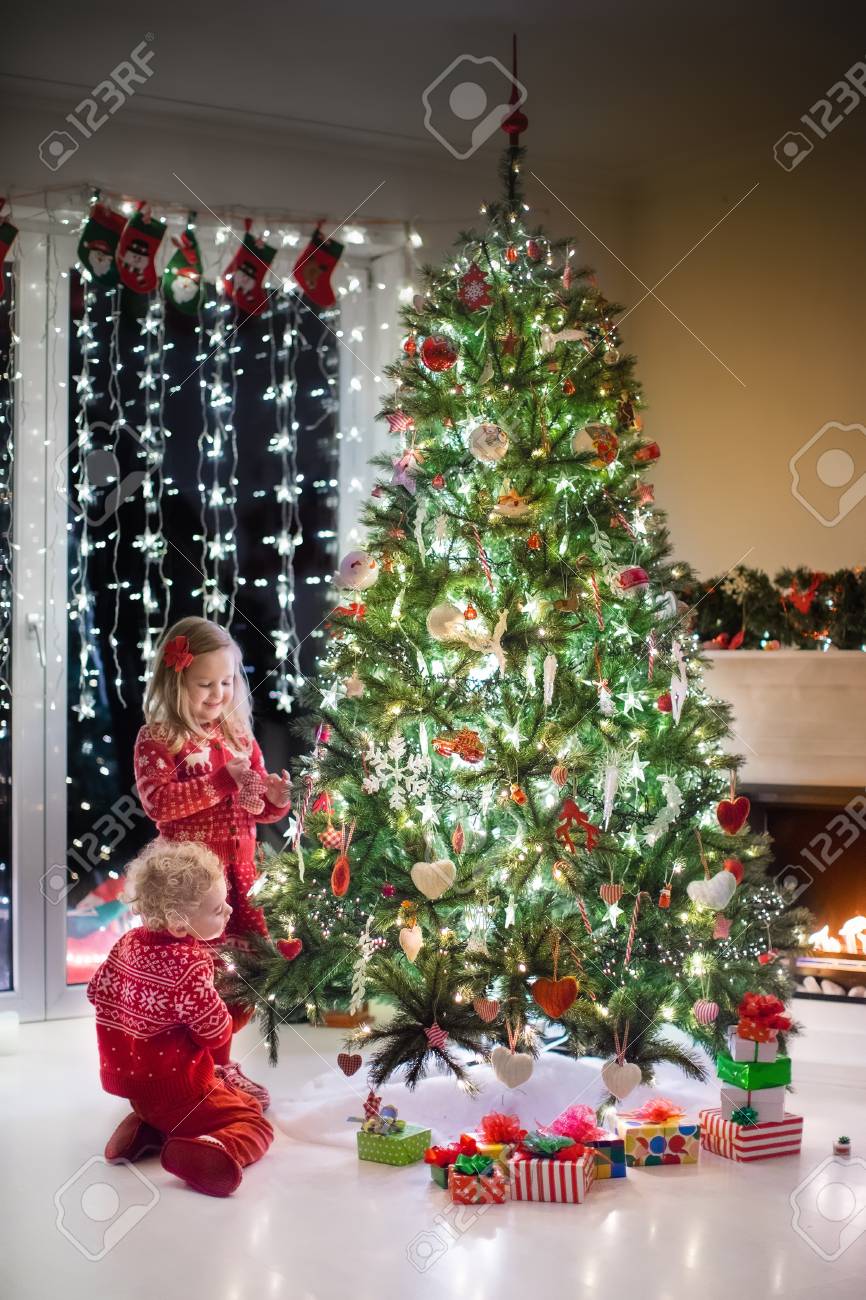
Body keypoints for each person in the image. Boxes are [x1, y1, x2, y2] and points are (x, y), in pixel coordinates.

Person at [133, 616, 292, 1108]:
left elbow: (254, 806)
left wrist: (275, 800)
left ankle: (217, 1064)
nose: (218, 693)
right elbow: (160, 803)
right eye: (205, 684)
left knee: (243, 974)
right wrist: (223, 780)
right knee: (193, 979)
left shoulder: (238, 734)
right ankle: (185, 1072)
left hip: (239, 877)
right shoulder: (158, 738)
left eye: (227, 682)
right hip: (189, 887)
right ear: (175, 681)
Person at [87, 840, 274, 1197]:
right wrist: (240, 1006)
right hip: (180, 1092)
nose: (230, 912)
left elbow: (96, 992)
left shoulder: (127, 943)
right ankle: (213, 1149)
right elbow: (214, 1033)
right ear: (177, 924)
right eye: (218, 909)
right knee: (252, 1118)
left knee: (190, 1103)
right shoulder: (189, 965)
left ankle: (146, 1129)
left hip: (137, 1090)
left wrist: (143, 1011)